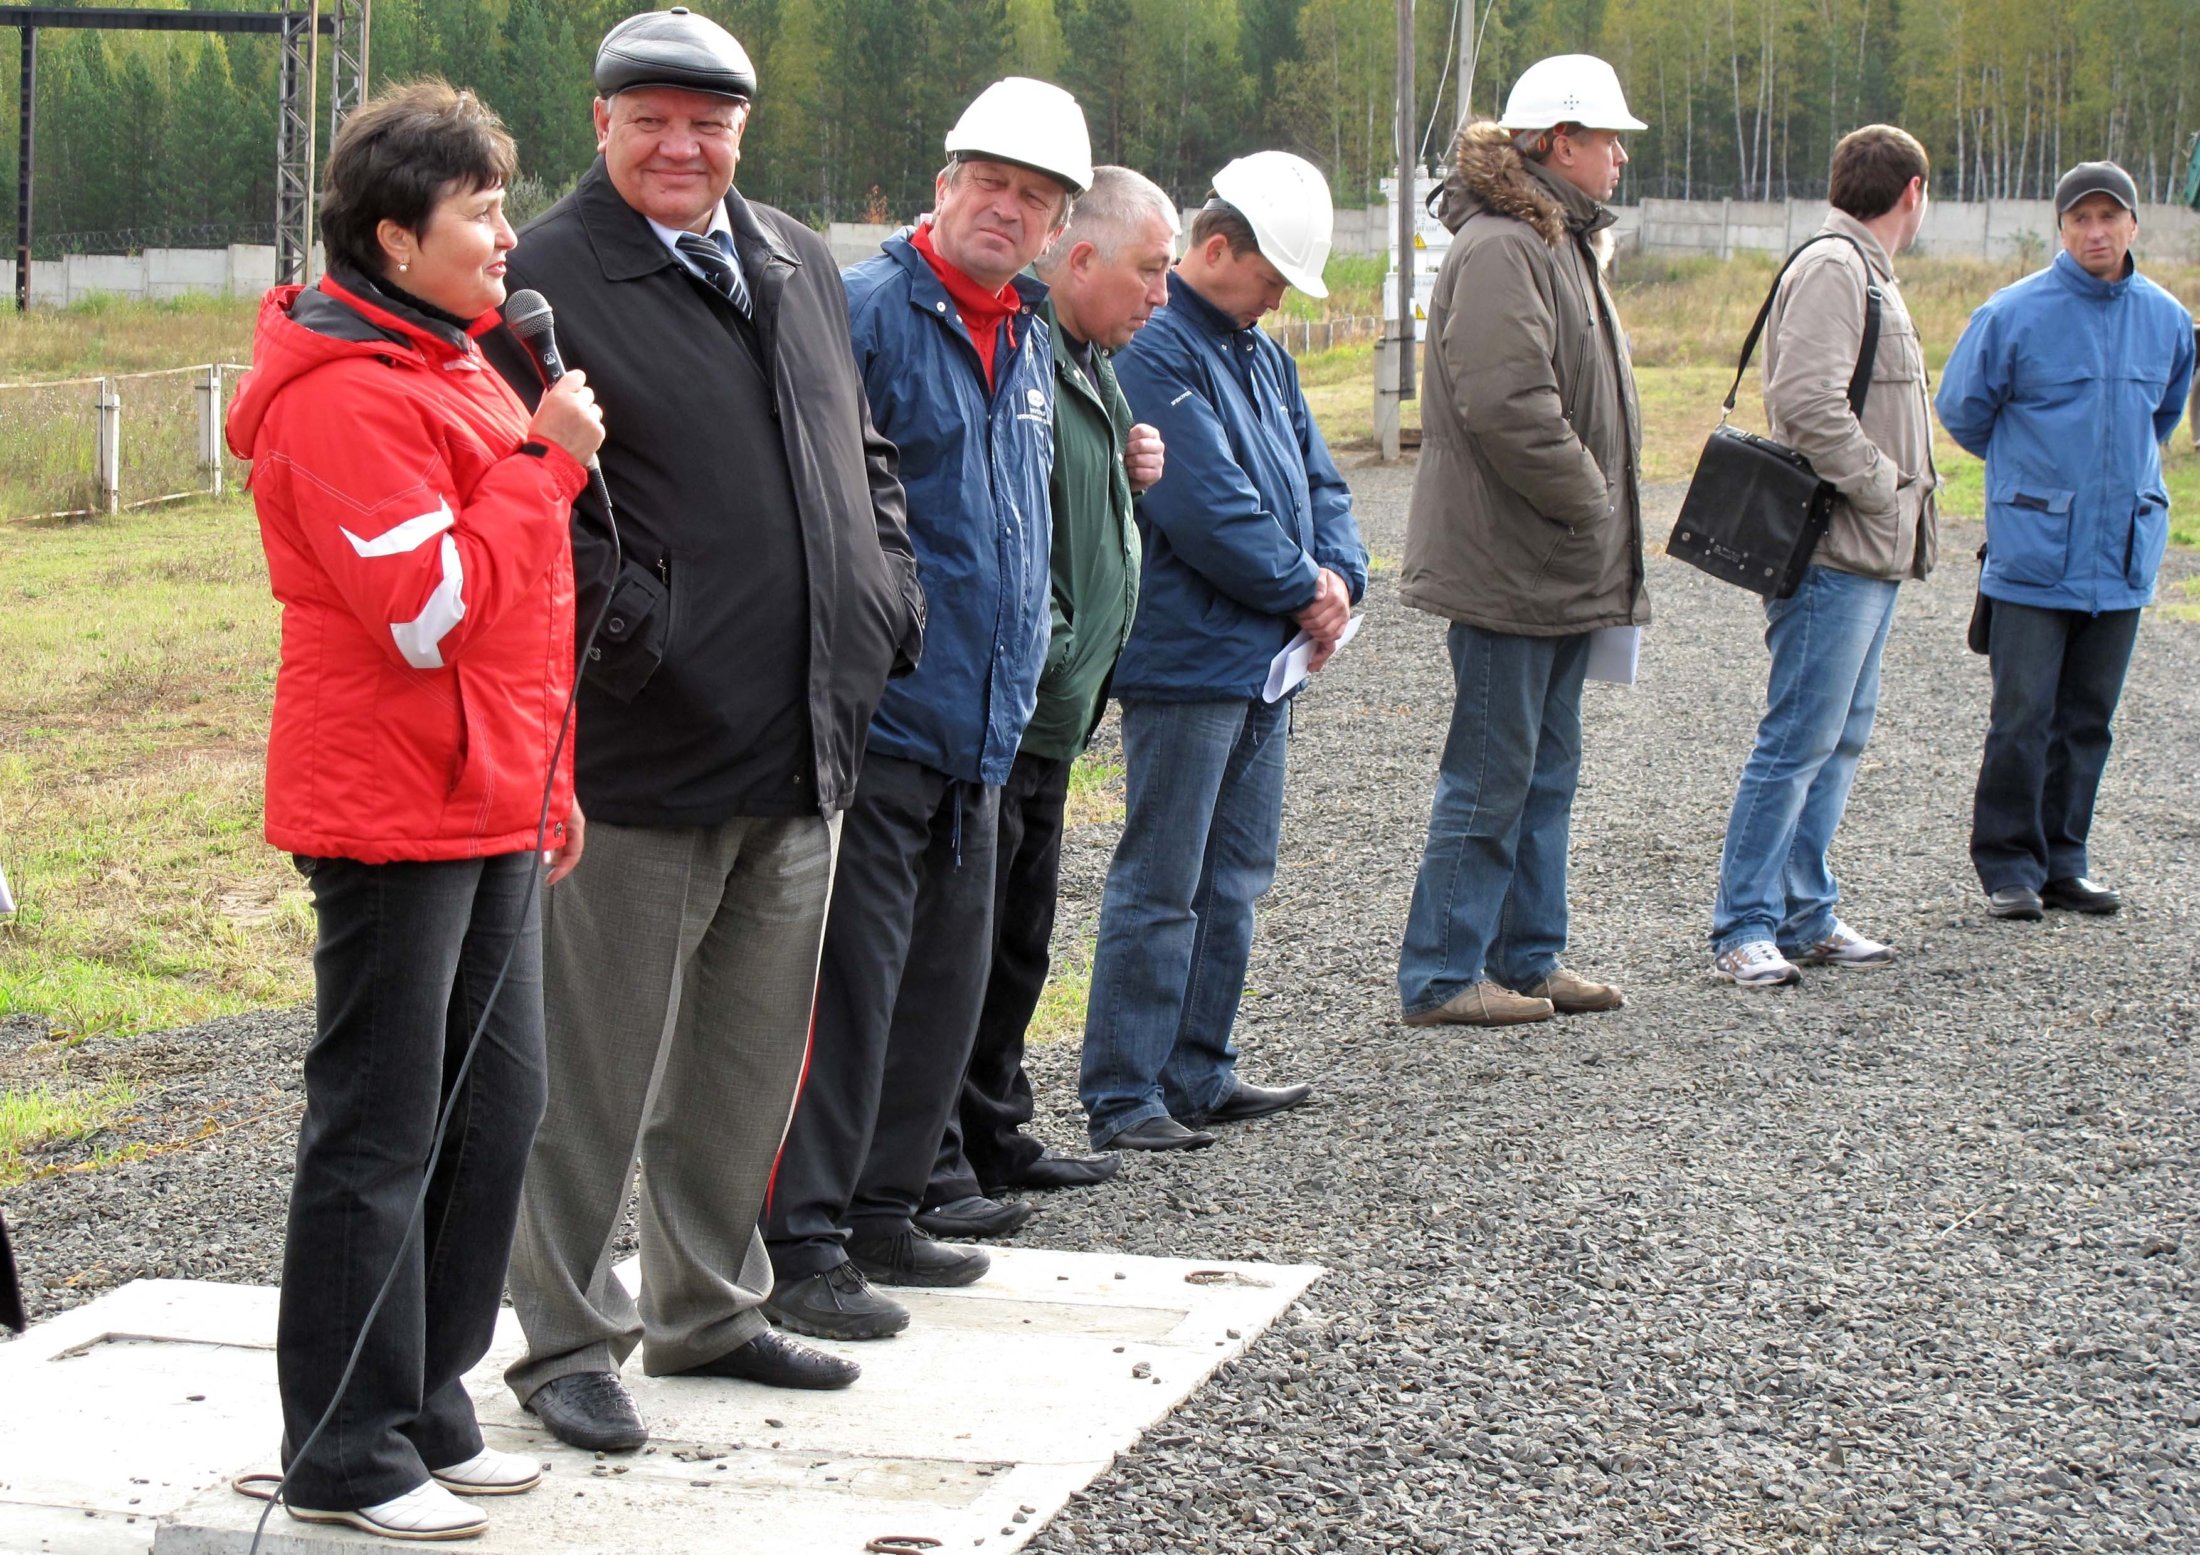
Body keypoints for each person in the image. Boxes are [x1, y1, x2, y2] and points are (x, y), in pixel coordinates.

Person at [486, 9, 922, 1452]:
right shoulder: (543, 275)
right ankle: (561, 1341)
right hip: (638, 742)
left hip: (803, 729)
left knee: (746, 1054)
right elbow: (521, 487)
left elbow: (859, 444)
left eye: (709, 120)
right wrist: (635, 635)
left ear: (744, 128)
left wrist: (886, 591)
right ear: (600, 121)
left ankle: (708, 1303)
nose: (682, 145)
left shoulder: (795, 253)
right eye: (651, 117)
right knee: (590, 1068)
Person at [225, 80, 604, 1541]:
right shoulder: (342, 396)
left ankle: (427, 1397)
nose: (510, 237)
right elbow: (428, 609)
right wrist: (546, 461)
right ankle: (341, 1447)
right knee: (378, 1129)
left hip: (491, 793)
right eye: (482, 213)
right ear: (394, 236)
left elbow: (517, 621)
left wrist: (549, 776)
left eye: (505, 205)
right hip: (388, 806)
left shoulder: (453, 359)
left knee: (493, 1107)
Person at [760, 77, 1088, 1339]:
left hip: (987, 726)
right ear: (942, 187)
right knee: (847, 992)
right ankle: (801, 1237)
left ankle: (890, 1208)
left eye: (1034, 197)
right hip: (891, 721)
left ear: (1056, 222)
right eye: (990, 184)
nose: (1008, 210)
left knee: (940, 987)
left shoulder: (1032, 335)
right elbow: (828, 514)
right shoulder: (867, 316)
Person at [1080, 150, 1367, 1152]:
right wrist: (1309, 590)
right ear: (1215, 248)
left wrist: (1340, 577)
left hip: (1258, 659)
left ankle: (1198, 1067)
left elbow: (1320, 481)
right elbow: (1207, 508)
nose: (1281, 298)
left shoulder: (1258, 353)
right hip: (1187, 658)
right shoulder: (1158, 351)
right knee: (1163, 877)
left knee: (1235, 871)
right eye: (1273, 276)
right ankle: (1124, 1088)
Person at [920, 166, 1174, 1231]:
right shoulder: (1016, 344)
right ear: (1081, 262)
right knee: (955, 945)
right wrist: (1056, 645)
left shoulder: (1086, 363)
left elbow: (1082, 496)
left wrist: (1133, 468)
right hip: (1009, 700)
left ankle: (993, 1128)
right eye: (1148, 273)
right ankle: (930, 1156)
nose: (1158, 299)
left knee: (1020, 938)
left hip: (1053, 704)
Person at [1395, 57, 1649, 1025]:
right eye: (1607, 138)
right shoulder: (1507, 245)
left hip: (1551, 565)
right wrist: (1593, 503)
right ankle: (1442, 975)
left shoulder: (1559, 240)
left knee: (1544, 768)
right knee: (1492, 775)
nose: (1620, 155)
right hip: (1514, 564)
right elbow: (1508, 405)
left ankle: (1527, 957)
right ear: (1557, 145)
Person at [1704, 124, 1940, 986]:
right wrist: (1884, 486)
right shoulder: (1837, 270)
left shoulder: (1864, 271)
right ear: (1913, 191)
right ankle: (1744, 926)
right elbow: (1805, 402)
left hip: (1869, 553)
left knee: (1836, 739)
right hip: (1839, 549)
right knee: (1799, 738)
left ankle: (1806, 914)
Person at [1936, 160, 2195, 921]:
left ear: (2133, 226)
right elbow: (1963, 411)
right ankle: (2009, 863)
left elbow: (2164, 415)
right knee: (2022, 716)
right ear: (2061, 227)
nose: (2095, 231)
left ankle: (2064, 860)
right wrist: (2032, 477)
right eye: (2080, 218)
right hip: (2035, 555)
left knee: (2089, 718)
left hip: (2120, 555)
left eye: (2109, 217)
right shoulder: (2012, 314)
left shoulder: (2168, 320)